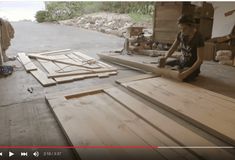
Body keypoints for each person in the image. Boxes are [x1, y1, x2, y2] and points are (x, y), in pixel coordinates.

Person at [159, 15, 205, 82]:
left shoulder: (198, 38)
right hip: (181, 62)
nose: (182, 31)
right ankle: (178, 68)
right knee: (160, 66)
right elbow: (173, 48)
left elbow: (200, 60)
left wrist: (186, 73)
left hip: (191, 66)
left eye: (184, 28)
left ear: (191, 26)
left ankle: (182, 70)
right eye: (180, 28)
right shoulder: (181, 34)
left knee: (183, 77)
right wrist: (165, 58)